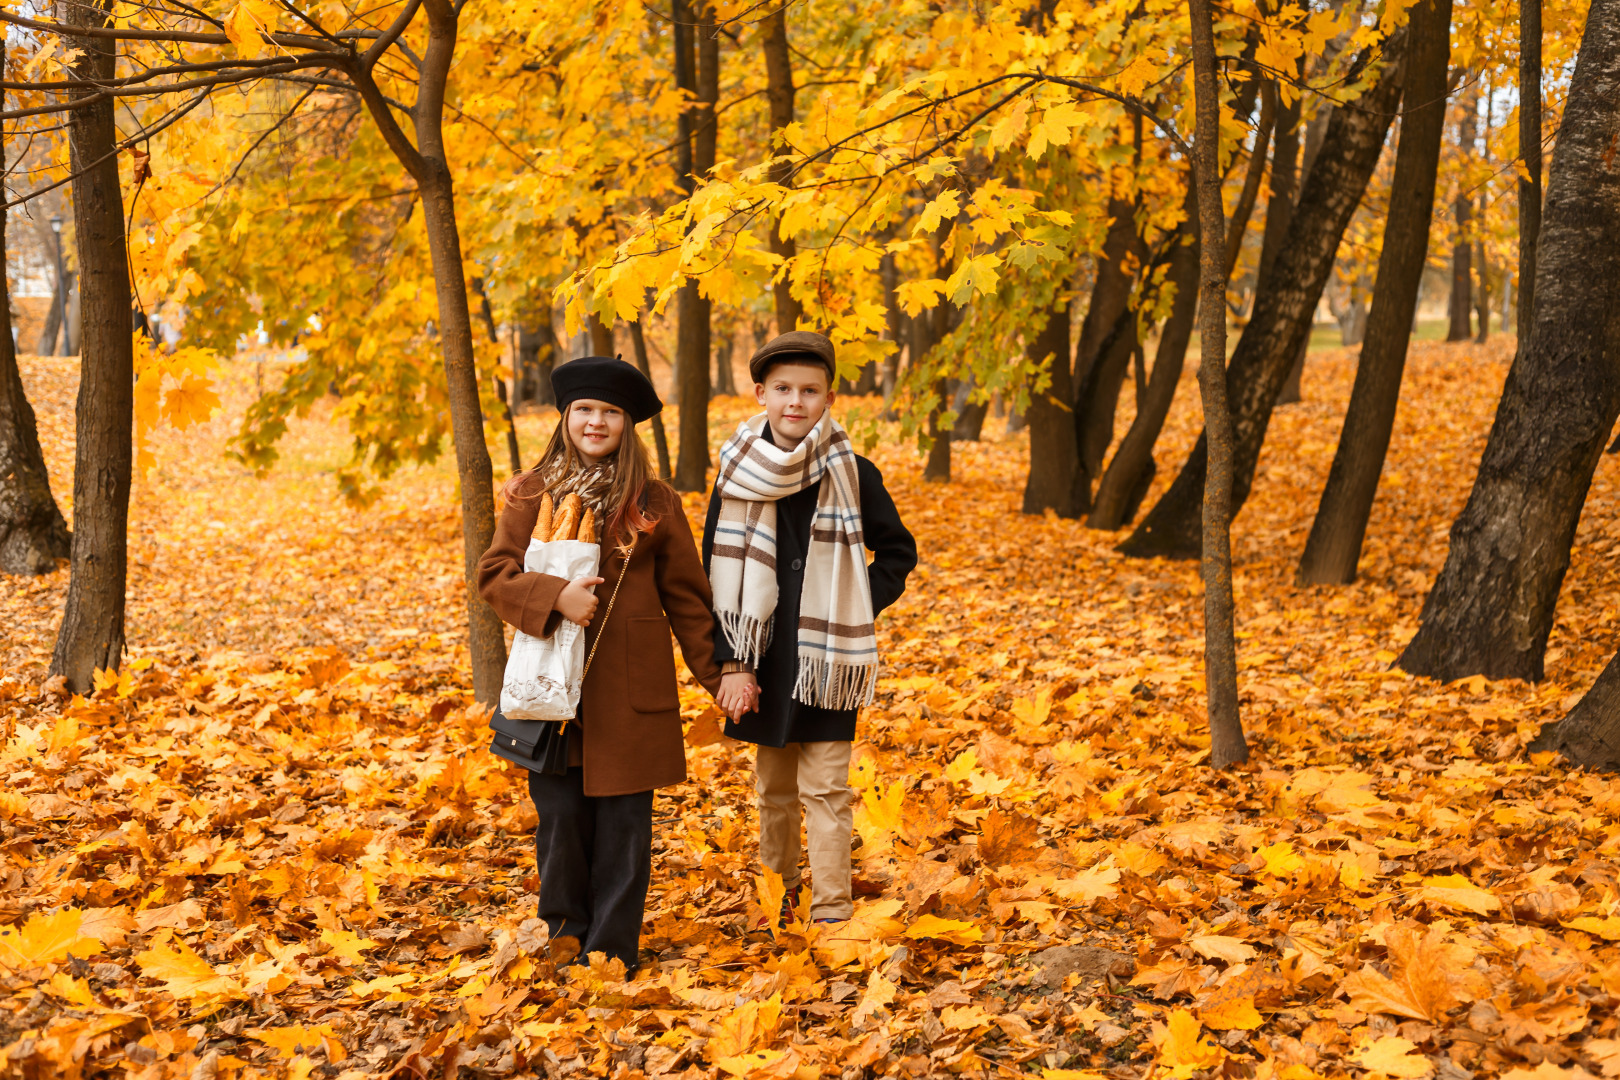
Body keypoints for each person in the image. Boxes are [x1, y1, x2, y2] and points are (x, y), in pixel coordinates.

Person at [478, 355, 723, 972]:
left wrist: (723, 675)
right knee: (560, 820)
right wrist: (554, 596)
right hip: (548, 688)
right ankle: (564, 932)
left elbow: (689, 601)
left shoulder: (654, 501)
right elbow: (494, 575)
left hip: (627, 691)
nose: (595, 421)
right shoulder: (530, 492)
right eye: (584, 409)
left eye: (609, 412)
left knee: (624, 827)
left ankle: (611, 950)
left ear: (627, 424)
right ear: (565, 418)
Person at [702, 331, 917, 926]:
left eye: (809, 391)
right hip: (763, 659)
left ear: (827, 399)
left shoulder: (853, 471)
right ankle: (781, 893)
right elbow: (713, 572)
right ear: (760, 394)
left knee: (826, 788)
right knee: (772, 789)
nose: (795, 402)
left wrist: (854, 605)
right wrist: (733, 662)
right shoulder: (736, 474)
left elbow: (897, 552)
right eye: (783, 390)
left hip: (826, 660)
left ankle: (831, 910)